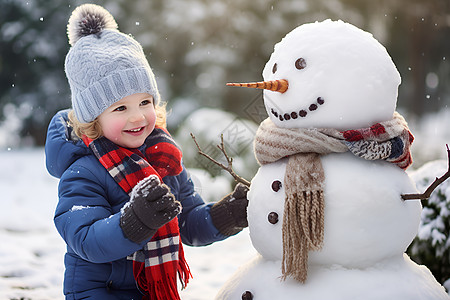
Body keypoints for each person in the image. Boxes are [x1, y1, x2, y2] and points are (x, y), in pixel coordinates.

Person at [45, 4, 248, 300]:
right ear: (93, 119)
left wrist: (226, 215)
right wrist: (134, 221)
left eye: (145, 102)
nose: (138, 117)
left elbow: (188, 222)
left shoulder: (163, 157)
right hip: (100, 293)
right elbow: (85, 239)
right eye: (120, 108)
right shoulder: (83, 171)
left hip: (151, 292)